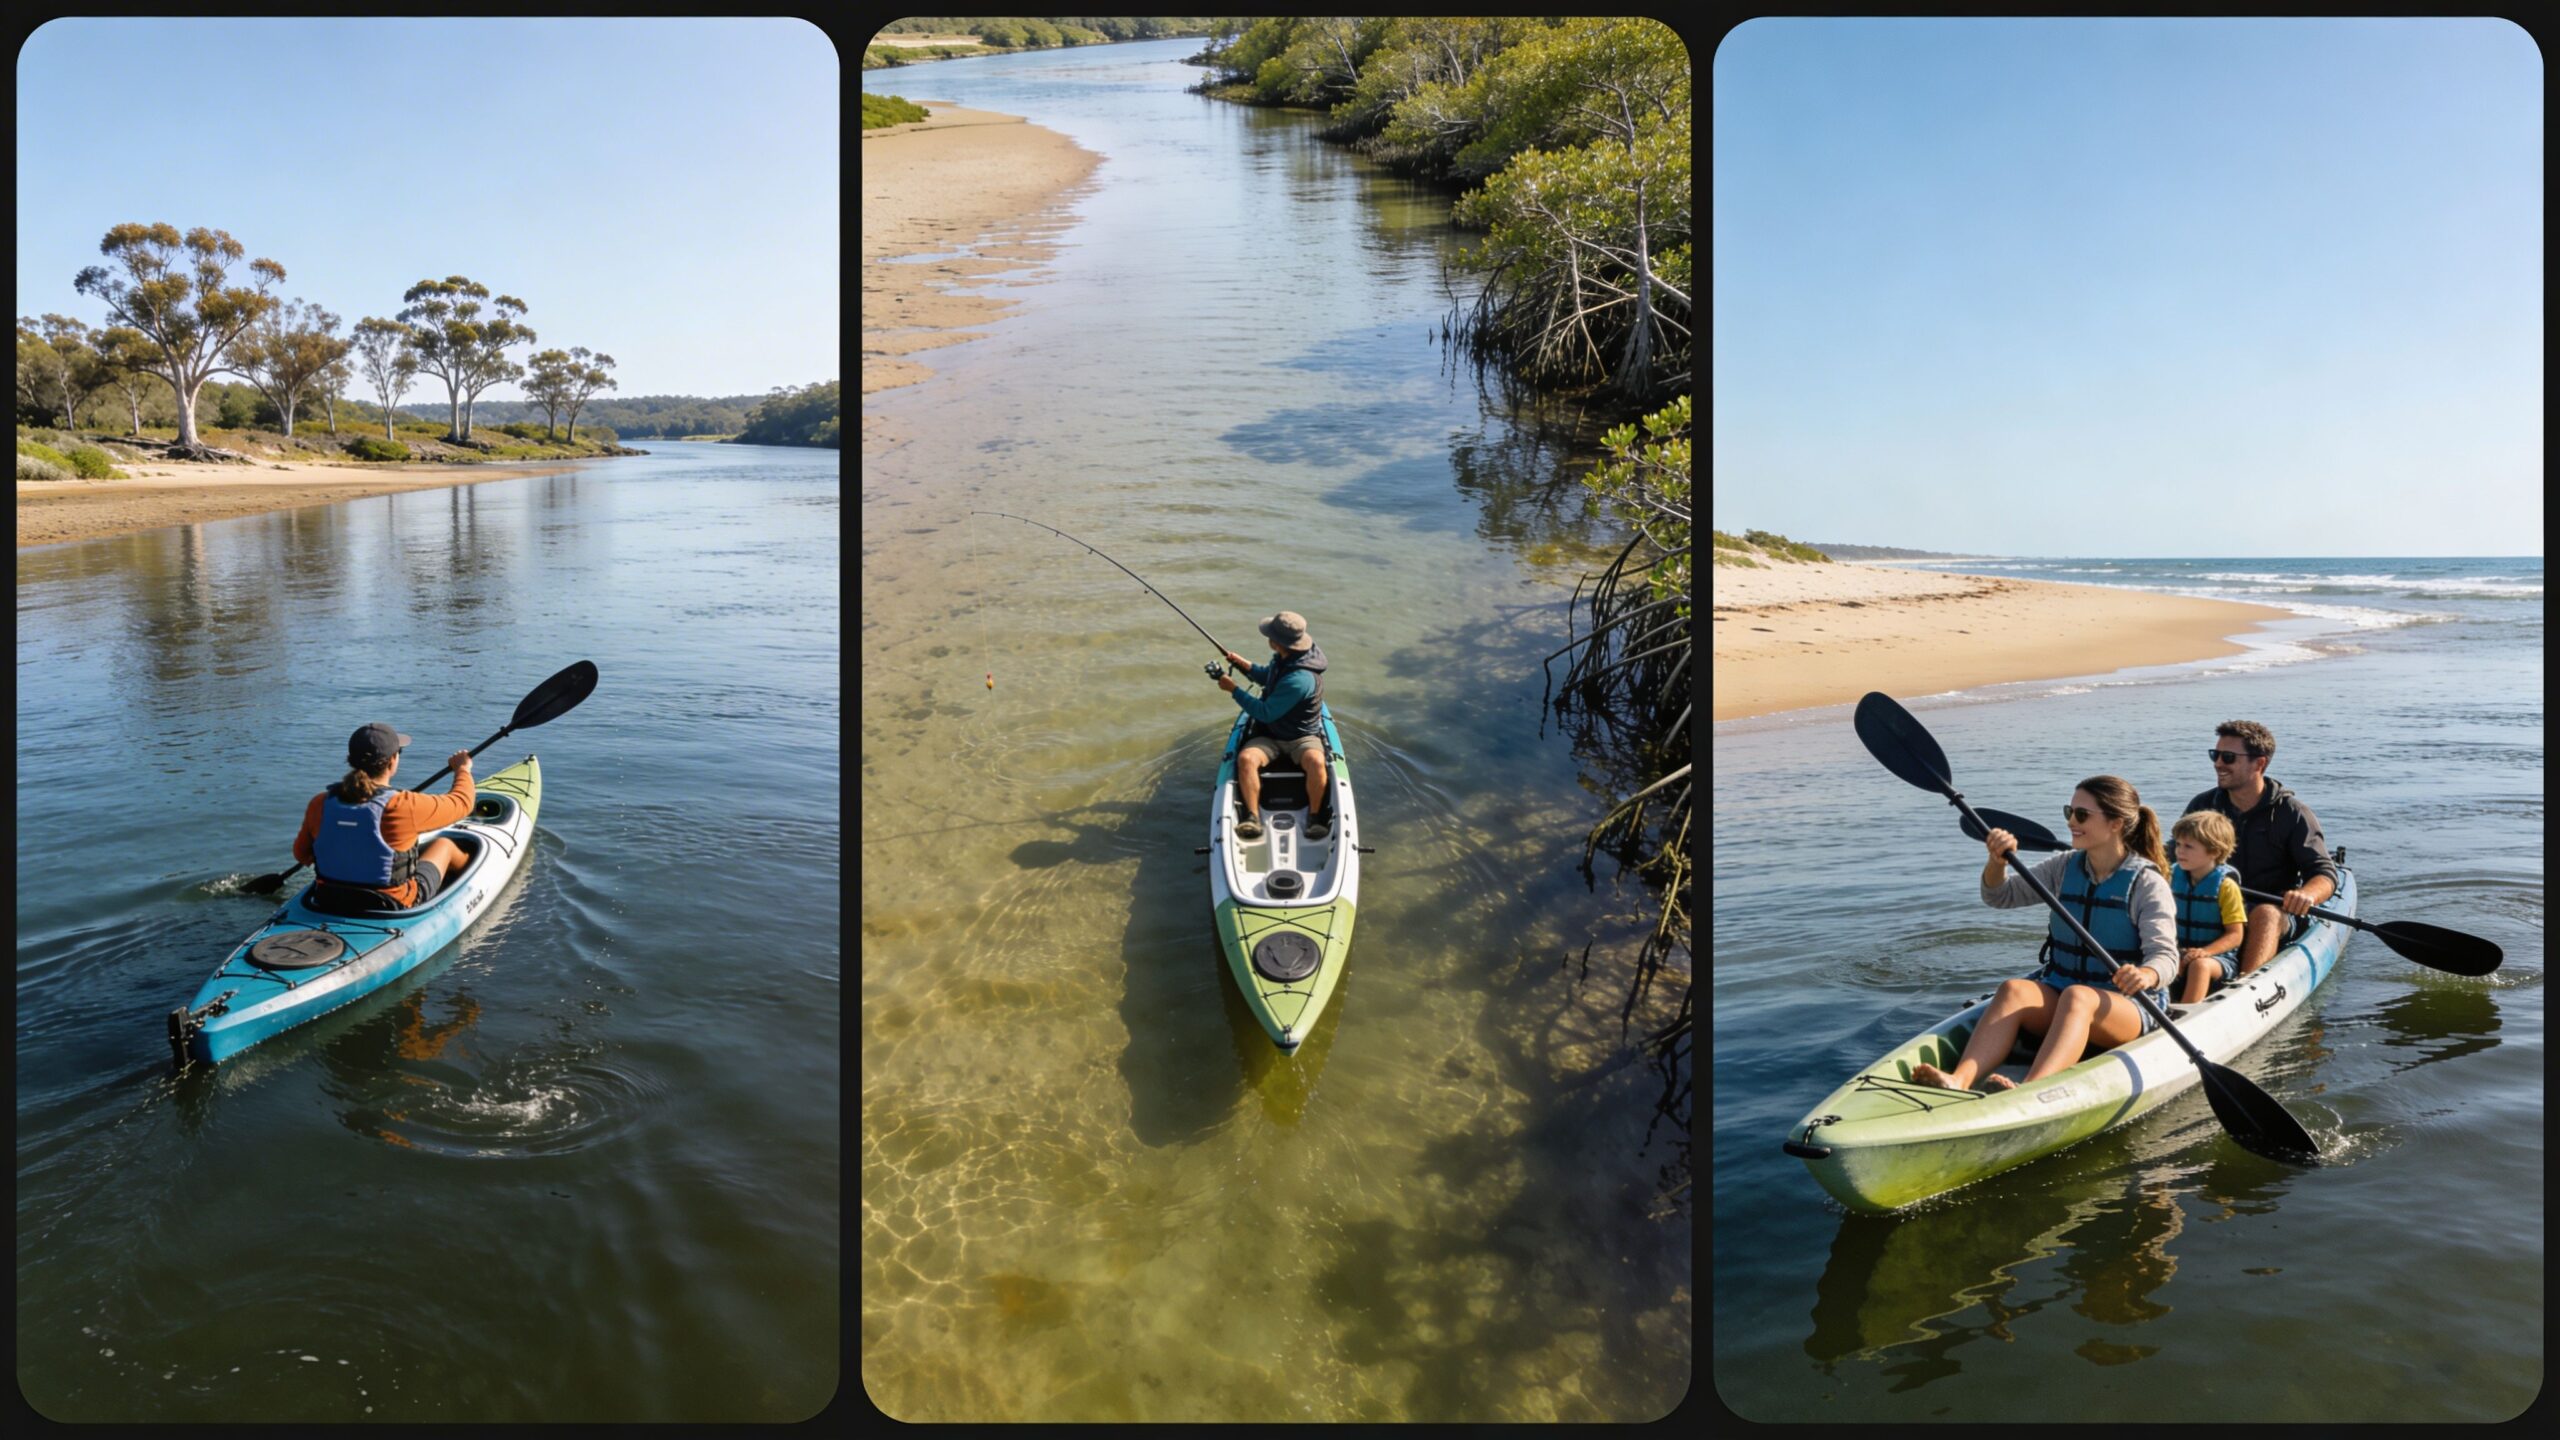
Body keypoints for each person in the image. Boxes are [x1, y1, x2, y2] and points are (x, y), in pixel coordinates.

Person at [1911, 776, 2180, 1092]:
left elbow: (2166, 957)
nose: (2070, 822)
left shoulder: (2147, 884)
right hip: (2065, 987)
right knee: (2014, 989)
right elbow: (2001, 896)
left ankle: (2030, 1089)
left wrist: (2146, 975)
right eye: (2069, 811)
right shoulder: (2064, 867)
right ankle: (1959, 1079)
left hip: (2128, 1005)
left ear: (2116, 824)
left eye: (2082, 815)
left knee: (2078, 997)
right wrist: (1996, 863)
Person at [2182, 720, 2340, 978]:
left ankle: (2246, 985)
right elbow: (2172, 859)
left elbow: (2323, 874)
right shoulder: (2203, 805)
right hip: (2214, 906)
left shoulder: (2293, 814)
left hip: (2274, 912)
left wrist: (2306, 895)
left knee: (2265, 913)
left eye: (2228, 757)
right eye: (2216, 755)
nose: (2218, 763)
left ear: (2259, 764)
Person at [294, 722, 476, 913]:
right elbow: (463, 802)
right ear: (393, 760)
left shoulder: (320, 803)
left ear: (351, 760)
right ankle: (469, 874)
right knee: (444, 845)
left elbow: (301, 854)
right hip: (391, 904)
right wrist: (462, 769)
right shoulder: (404, 805)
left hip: (328, 898)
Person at [1216, 610, 1332, 840]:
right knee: (1246, 759)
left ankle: (1316, 817)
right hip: (1270, 735)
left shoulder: (1300, 680)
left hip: (1301, 737)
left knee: (1317, 762)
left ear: (1276, 642)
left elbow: (1265, 712)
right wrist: (1243, 665)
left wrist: (1233, 690)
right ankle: (1252, 817)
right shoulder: (1286, 658)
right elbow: (1268, 676)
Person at [2166, 809, 2248, 1005]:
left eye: (2188, 846)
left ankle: (2184, 1014)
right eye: (2178, 844)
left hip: (2217, 958)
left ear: (2214, 851)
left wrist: (2206, 952)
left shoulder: (2226, 887)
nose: (2179, 851)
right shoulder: (2169, 877)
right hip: (2180, 949)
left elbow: (2235, 935)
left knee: (2199, 966)